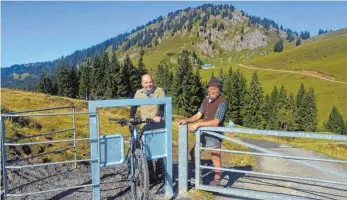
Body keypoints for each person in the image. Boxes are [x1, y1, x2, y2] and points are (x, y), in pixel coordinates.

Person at [179, 76, 227, 185]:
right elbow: (198, 114)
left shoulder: (222, 102)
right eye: (210, 89)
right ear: (208, 89)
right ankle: (199, 176)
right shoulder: (205, 100)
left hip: (215, 134)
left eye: (215, 89)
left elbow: (216, 122)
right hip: (203, 133)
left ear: (219, 90)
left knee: (215, 156)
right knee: (194, 152)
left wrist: (198, 124)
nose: (212, 91)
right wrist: (187, 120)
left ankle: (217, 179)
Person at [130, 74, 165, 182]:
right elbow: (134, 106)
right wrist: (131, 117)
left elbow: (163, 104)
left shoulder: (159, 91)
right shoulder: (138, 93)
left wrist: (159, 115)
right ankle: (149, 172)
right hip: (145, 123)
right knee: (146, 148)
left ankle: (160, 167)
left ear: (153, 82)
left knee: (160, 146)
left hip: (158, 122)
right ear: (142, 84)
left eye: (150, 82)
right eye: (146, 82)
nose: (149, 84)